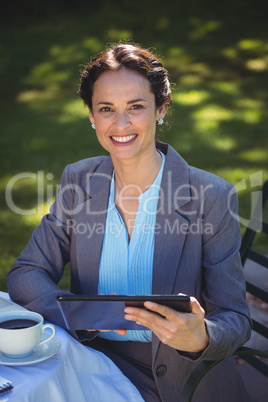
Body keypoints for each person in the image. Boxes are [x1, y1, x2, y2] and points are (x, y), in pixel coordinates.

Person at [7, 43, 251, 402]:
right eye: (106, 109)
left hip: (186, 381)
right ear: (91, 115)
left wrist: (202, 337)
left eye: (136, 107)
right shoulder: (79, 180)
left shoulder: (211, 196)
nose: (120, 124)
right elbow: (26, 272)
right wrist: (86, 315)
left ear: (161, 108)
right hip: (91, 361)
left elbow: (235, 319)